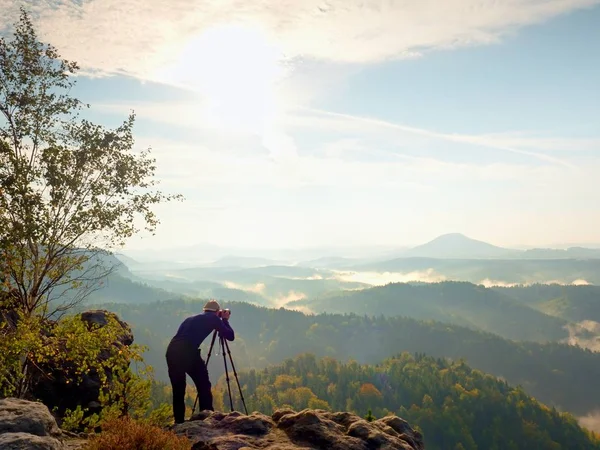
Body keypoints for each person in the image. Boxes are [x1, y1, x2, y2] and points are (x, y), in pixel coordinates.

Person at [165, 299, 234, 423]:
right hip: (188, 351)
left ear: (205, 310)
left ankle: (179, 422)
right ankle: (206, 418)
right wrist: (224, 320)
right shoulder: (214, 319)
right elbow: (230, 336)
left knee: (178, 389)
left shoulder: (190, 319)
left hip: (172, 351)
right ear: (217, 312)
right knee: (203, 385)